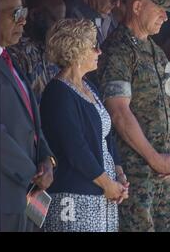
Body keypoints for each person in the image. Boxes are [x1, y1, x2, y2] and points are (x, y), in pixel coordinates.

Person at [98, 0, 170, 232]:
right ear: (137, 7)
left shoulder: (156, 52)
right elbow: (119, 112)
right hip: (135, 175)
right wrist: (154, 158)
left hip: (164, 172)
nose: (165, 17)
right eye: (160, 9)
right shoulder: (118, 50)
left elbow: (168, 107)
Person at [40, 19, 128, 232]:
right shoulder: (58, 93)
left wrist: (119, 174)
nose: (99, 51)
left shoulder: (89, 86)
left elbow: (105, 137)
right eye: (93, 46)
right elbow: (75, 148)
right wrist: (107, 184)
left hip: (101, 196)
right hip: (75, 198)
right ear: (76, 51)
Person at [0, 0, 55, 232]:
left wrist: (47, 161)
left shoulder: (11, 61)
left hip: (28, 195)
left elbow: (34, 124)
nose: (23, 21)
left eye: (24, 12)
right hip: (5, 196)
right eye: (15, 14)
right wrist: (32, 173)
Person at [8, 0, 64, 103]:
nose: (60, 29)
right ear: (34, 15)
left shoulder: (54, 47)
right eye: (55, 21)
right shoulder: (17, 52)